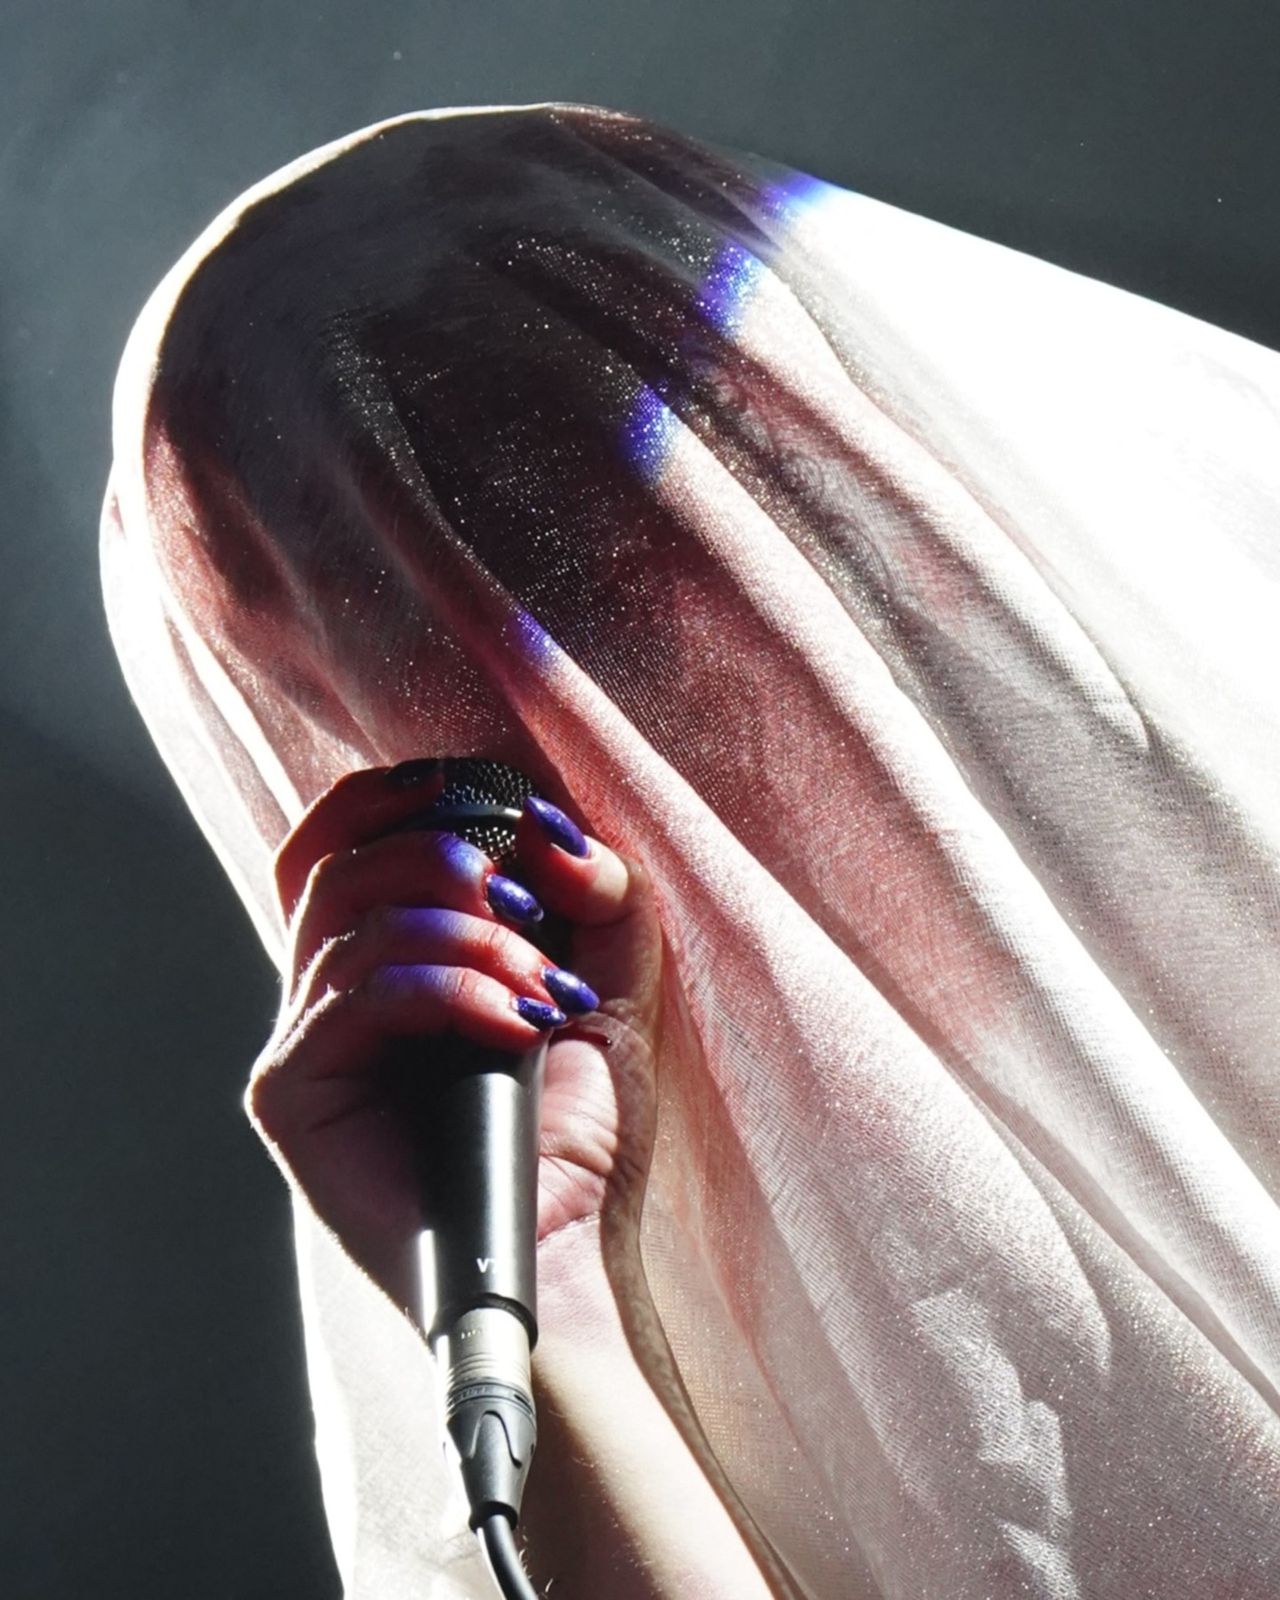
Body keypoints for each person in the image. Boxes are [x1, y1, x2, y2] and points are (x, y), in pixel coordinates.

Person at [102, 104, 1280, 1598]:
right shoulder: (630, 1322)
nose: (548, 703)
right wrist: (555, 1305)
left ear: (845, 466)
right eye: (381, 655)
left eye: (582, 552)